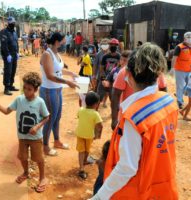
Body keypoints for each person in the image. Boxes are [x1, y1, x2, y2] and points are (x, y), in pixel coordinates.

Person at [90, 43, 178, 200]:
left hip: (138, 190)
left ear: (128, 75)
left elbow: (126, 168)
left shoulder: (134, 117)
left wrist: (99, 196)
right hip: (162, 184)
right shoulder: (169, 102)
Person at [0, 72, 49, 193]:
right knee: (22, 157)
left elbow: (46, 117)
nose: (26, 91)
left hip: (35, 137)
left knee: (38, 158)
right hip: (22, 136)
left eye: (29, 89)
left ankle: (43, 177)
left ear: (36, 89)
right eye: (25, 88)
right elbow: (7, 111)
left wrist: (37, 127)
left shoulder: (40, 102)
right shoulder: (19, 99)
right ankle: (25, 172)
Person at [39, 32, 79, 156]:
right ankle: (45, 146)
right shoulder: (47, 54)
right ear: (57, 42)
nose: (65, 42)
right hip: (48, 90)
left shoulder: (56, 53)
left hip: (57, 89)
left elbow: (58, 70)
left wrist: (71, 73)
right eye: (63, 41)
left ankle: (56, 141)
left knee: (57, 117)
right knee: (50, 118)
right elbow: (50, 75)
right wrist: (67, 81)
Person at [75, 92, 103, 179]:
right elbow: (100, 125)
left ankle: (81, 168)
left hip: (80, 134)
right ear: (96, 104)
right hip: (89, 135)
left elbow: (79, 117)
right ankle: (84, 161)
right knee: (87, 150)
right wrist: (98, 134)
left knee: (81, 151)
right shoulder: (95, 114)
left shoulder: (81, 110)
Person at [172, 31, 191, 109]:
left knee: (189, 85)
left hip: (190, 70)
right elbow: (174, 58)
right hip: (180, 70)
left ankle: (180, 93)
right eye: (188, 37)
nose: (190, 38)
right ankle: (179, 101)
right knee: (180, 86)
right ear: (184, 38)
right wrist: (172, 68)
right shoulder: (179, 47)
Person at [0, 17, 20, 95]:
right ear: (8, 23)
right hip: (8, 56)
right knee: (8, 71)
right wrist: (7, 55)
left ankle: (11, 85)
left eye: (14, 22)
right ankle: (6, 88)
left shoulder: (14, 32)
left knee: (13, 70)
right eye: (11, 23)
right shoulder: (3, 32)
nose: (13, 24)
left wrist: (17, 52)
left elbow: (16, 43)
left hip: (14, 54)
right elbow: (4, 45)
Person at [98, 38, 121, 107]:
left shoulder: (119, 56)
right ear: (109, 46)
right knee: (101, 93)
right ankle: (97, 107)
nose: (113, 46)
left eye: (115, 45)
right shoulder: (105, 56)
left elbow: (120, 68)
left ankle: (114, 111)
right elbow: (101, 68)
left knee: (113, 95)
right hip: (105, 77)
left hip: (115, 79)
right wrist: (103, 77)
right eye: (112, 44)